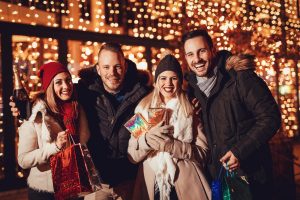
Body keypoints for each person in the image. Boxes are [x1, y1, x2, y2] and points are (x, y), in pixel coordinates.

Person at [182, 29, 281, 199]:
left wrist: (239, 151)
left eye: (202, 51)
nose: (196, 59)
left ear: (212, 50)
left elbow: (271, 117)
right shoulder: (191, 91)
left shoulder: (239, 78)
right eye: (190, 54)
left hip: (251, 177)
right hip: (218, 180)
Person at [127, 53, 211, 200]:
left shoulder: (191, 108)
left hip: (186, 184)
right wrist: (146, 140)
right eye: (163, 78)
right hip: (152, 184)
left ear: (180, 81)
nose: (168, 83)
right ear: (156, 81)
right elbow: (132, 155)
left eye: (174, 78)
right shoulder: (142, 108)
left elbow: (203, 154)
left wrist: (173, 146)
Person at [77, 42, 151, 200]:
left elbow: (171, 100)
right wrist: (25, 108)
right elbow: (53, 101)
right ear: (98, 69)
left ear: (125, 67)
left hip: (130, 180)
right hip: (96, 183)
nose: (112, 73)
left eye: (117, 67)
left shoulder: (142, 95)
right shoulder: (85, 93)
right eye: (106, 67)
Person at [17, 62, 90, 200]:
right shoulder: (35, 115)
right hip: (46, 192)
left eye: (68, 80)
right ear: (49, 86)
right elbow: (23, 160)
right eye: (58, 82)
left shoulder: (76, 108)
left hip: (75, 185)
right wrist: (54, 147)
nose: (66, 86)